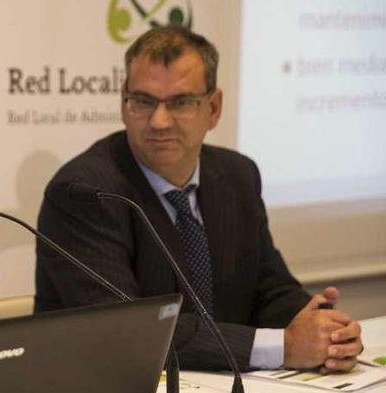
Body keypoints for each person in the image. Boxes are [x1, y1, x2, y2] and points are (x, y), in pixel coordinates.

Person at [35, 26, 363, 372]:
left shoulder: (237, 176)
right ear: (123, 103)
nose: (159, 121)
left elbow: (268, 288)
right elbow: (130, 331)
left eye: (181, 103)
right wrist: (283, 347)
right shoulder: (82, 193)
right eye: (143, 101)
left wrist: (325, 329)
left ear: (214, 107)